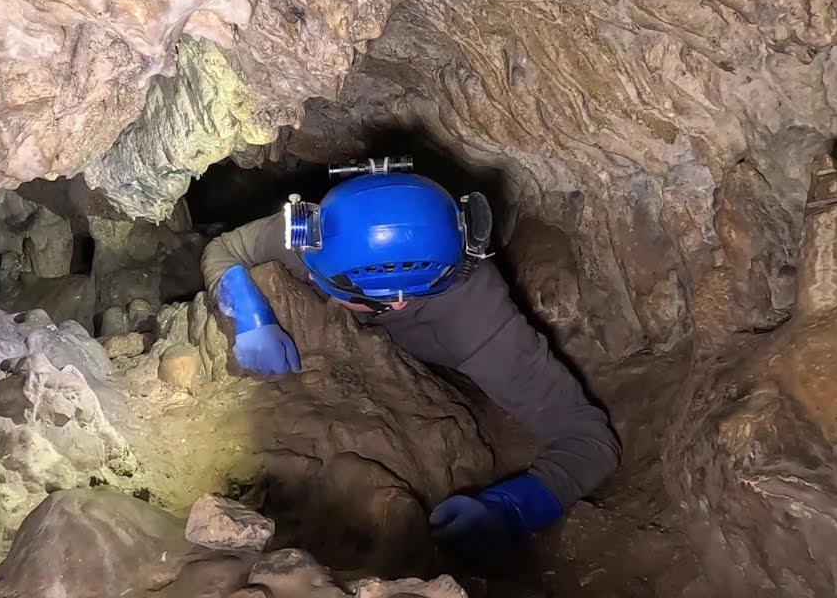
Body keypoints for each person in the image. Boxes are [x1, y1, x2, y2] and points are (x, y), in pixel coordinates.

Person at [200, 160, 620, 569]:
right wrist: (246, 310)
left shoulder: (479, 323)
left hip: (450, 346)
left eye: (384, 298)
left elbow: (590, 441)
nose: (310, 281)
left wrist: (511, 509)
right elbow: (225, 248)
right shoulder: (320, 236)